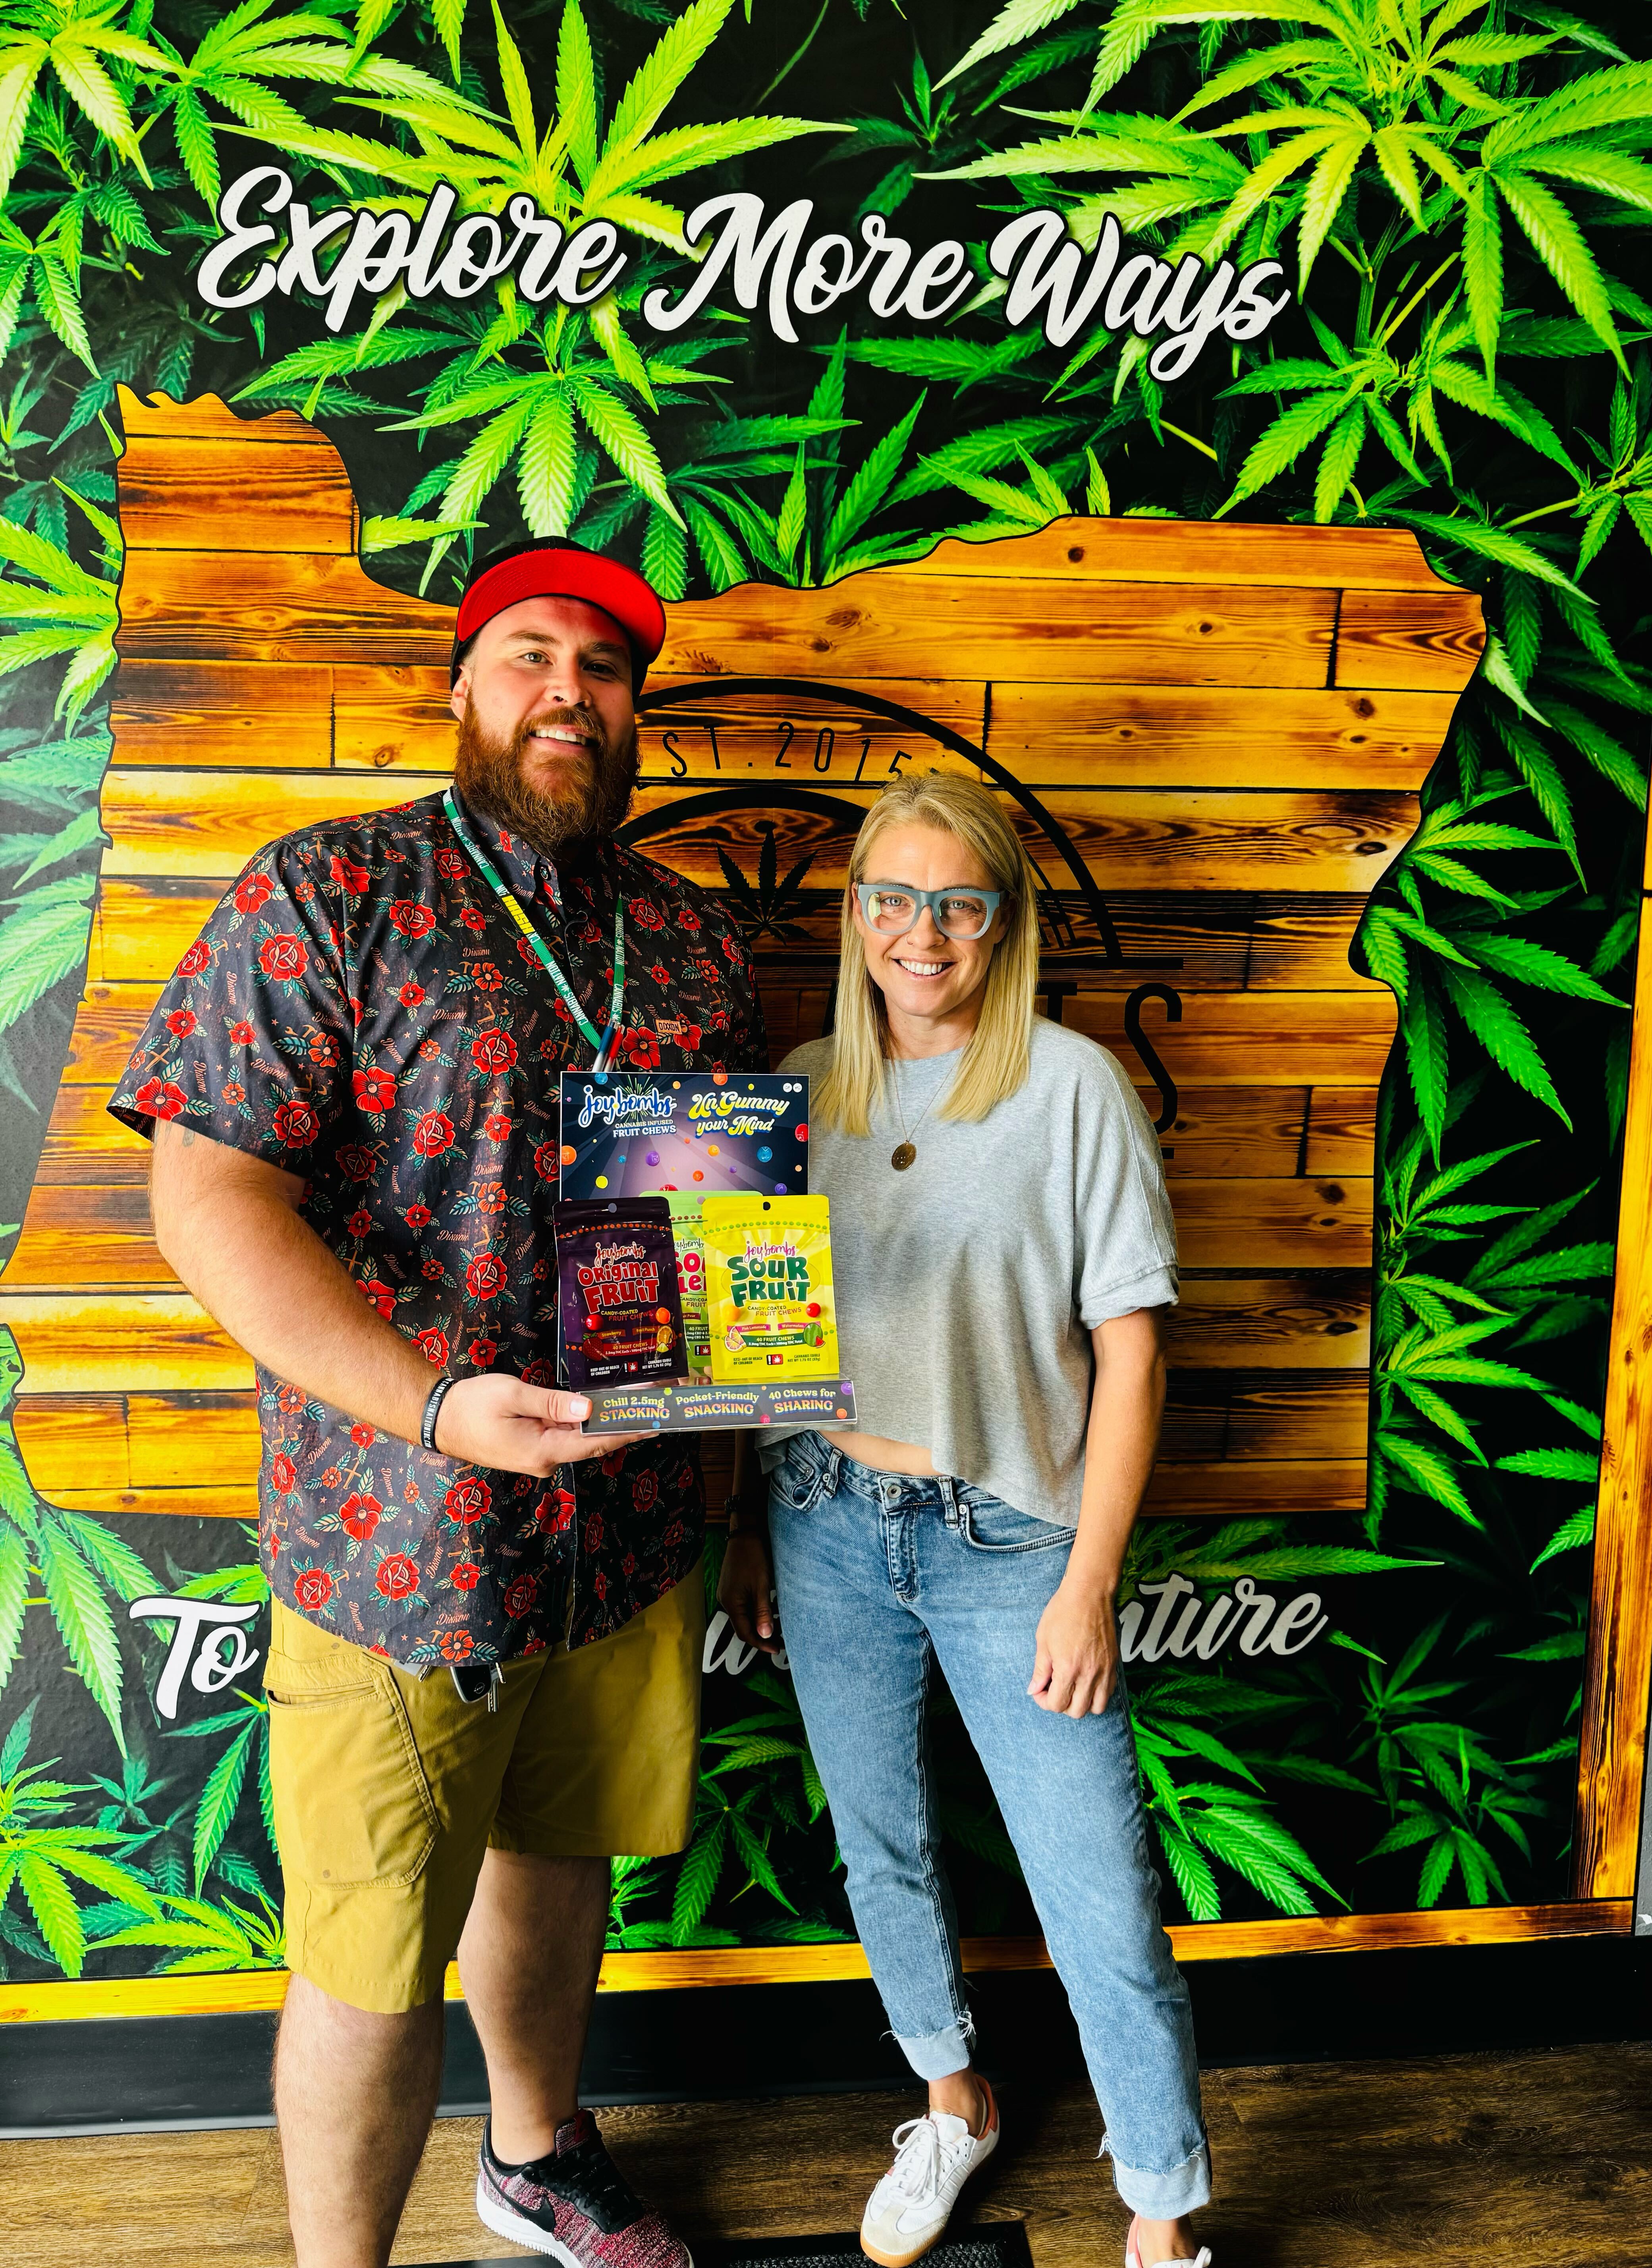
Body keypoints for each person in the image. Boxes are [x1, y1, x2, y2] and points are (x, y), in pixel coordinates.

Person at [110, 540, 766, 2268]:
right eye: (531, 654)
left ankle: (535, 2157)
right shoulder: (328, 891)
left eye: (605, 667)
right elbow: (209, 1201)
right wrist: (434, 1406)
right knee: (372, 1941)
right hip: (406, 1535)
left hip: (628, 1525)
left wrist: (738, 1495)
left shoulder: (689, 935)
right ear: (463, 686)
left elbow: (721, 1238)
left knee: (560, 1853)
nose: (570, 691)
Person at [719, 771, 1212, 2268]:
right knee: (881, 1847)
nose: (920, 933)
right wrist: (743, 1522)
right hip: (819, 1515)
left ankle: (1162, 2212)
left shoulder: (1069, 1088)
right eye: (893, 898)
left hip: (1011, 1539)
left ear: (1003, 924)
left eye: (956, 904)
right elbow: (752, 1337)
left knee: (1097, 1899)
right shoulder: (795, 1086)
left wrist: (1089, 1581)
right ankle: (953, 2100)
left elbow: (1132, 1353)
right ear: (854, 912)